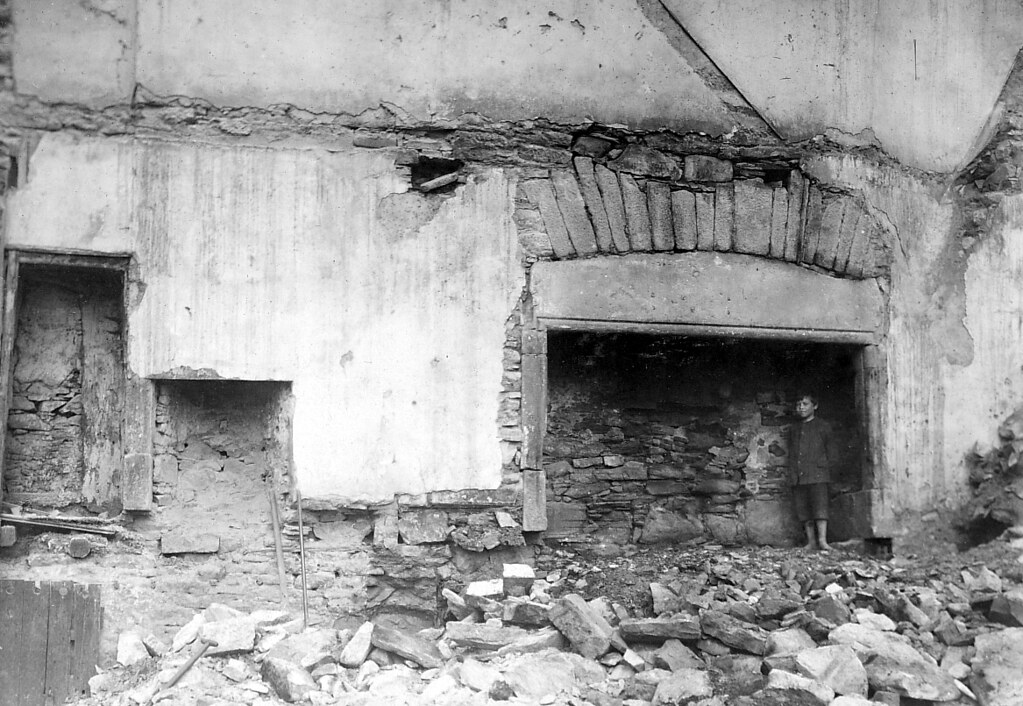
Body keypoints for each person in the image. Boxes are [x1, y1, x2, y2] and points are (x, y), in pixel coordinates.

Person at [787, 392, 837, 551]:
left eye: (805, 404)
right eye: (798, 405)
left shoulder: (823, 426)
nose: (801, 408)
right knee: (803, 509)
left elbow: (832, 452)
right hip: (799, 475)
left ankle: (823, 541)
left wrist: (824, 467)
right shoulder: (794, 429)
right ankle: (811, 541)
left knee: (820, 507)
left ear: (815, 406)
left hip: (818, 474)